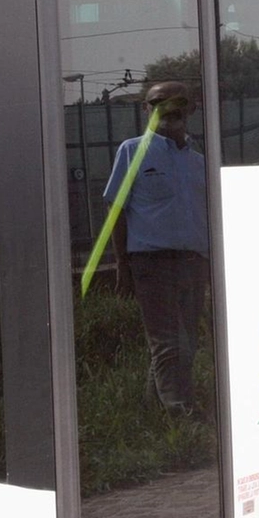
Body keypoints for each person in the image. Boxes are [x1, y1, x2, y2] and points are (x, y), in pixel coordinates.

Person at [105, 81, 209, 414]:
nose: (169, 108)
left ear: (191, 108)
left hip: (194, 263)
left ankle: (154, 410)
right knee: (169, 343)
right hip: (152, 263)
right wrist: (122, 264)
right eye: (158, 102)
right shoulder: (132, 151)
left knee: (187, 344)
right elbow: (116, 210)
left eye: (178, 101)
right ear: (146, 109)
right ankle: (181, 413)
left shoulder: (199, 162)